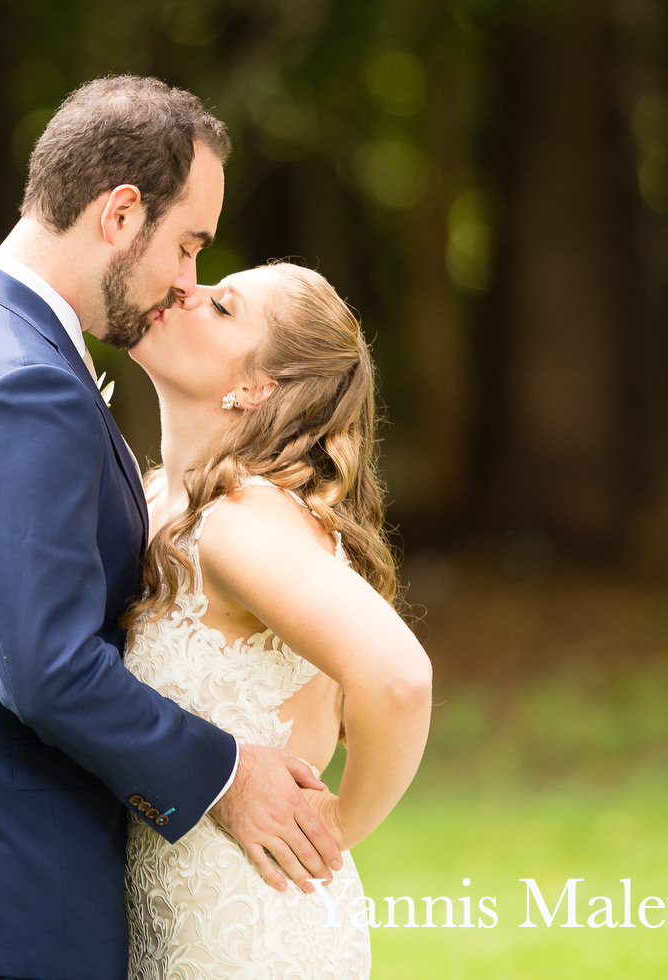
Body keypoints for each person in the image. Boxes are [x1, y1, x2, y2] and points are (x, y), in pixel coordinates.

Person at [0, 75, 343, 980]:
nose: (188, 280)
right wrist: (227, 777)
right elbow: (48, 671)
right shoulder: (23, 381)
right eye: (187, 245)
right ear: (121, 213)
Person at [123, 261, 434, 979]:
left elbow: (401, 680)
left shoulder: (241, 518)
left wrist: (336, 827)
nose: (185, 292)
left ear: (256, 386)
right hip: (169, 920)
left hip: (247, 929)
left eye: (222, 307)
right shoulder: (160, 497)